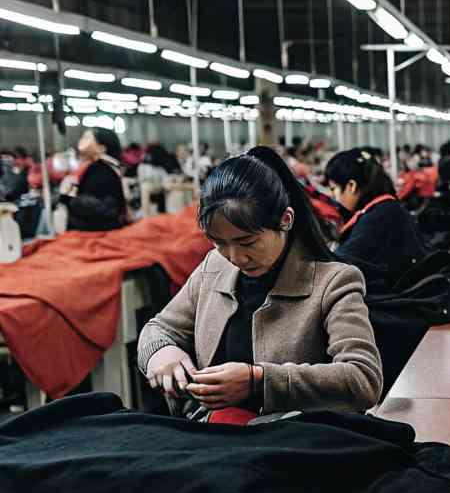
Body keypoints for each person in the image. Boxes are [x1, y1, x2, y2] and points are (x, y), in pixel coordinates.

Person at [138, 146, 383, 419]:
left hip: (291, 442)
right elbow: (159, 328)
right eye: (220, 243)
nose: (235, 257)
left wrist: (258, 382)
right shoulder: (214, 268)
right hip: (212, 433)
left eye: (247, 242)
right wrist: (162, 353)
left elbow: (363, 378)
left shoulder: (333, 282)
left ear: (285, 220)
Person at [325, 148, 425, 282]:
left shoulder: (379, 216)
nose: (333, 196)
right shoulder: (386, 207)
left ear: (351, 186)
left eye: (333, 189)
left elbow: (338, 264)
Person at [59, 128, 128, 232]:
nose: (81, 140)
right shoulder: (90, 167)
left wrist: (69, 199)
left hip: (95, 234)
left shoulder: (103, 171)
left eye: (87, 138)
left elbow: (105, 208)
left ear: (101, 148)